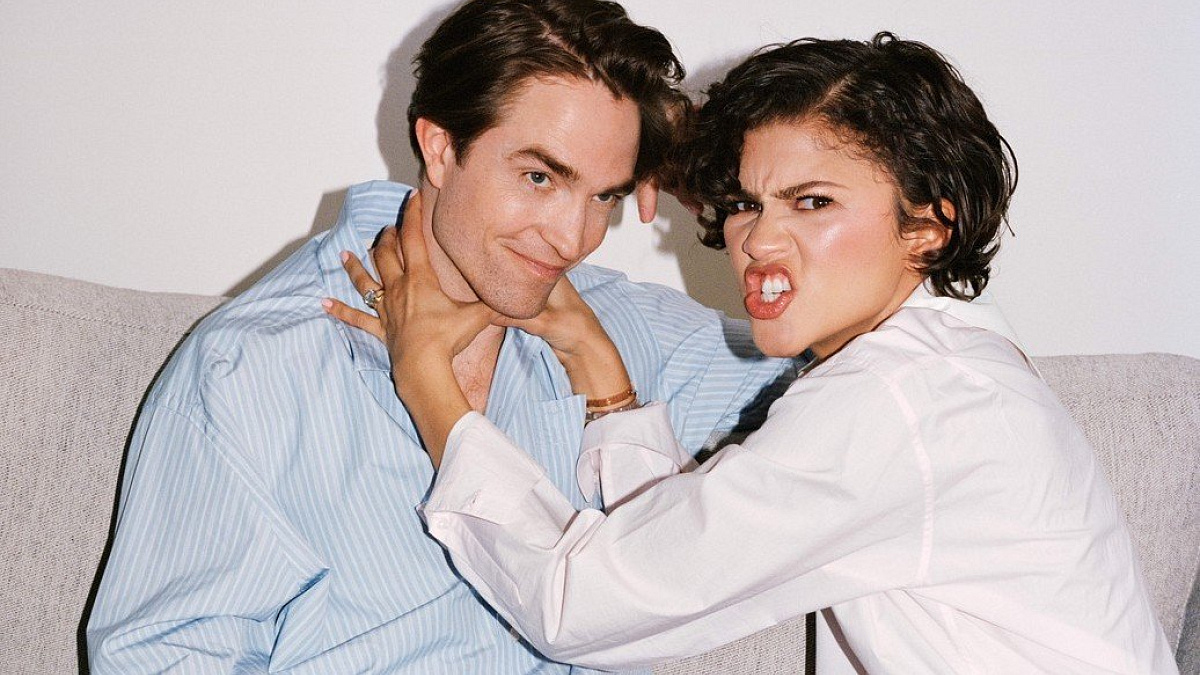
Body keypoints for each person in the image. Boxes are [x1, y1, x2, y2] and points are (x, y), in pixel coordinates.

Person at [333, 34, 1177, 673]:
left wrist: (428, 379)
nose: (758, 241)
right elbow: (681, 557)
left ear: (926, 225)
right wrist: (595, 360)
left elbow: (577, 606)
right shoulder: (942, 363)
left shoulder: (899, 404)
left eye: (812, 202)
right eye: (743, 202)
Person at [85, 1, 794, 672]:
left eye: (604, 195)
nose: (573, 238)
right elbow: (161, 656)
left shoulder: (618, 327)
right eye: (539, 177)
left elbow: (857, 378)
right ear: (441, 147)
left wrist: (721, 175)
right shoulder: (256, 365)